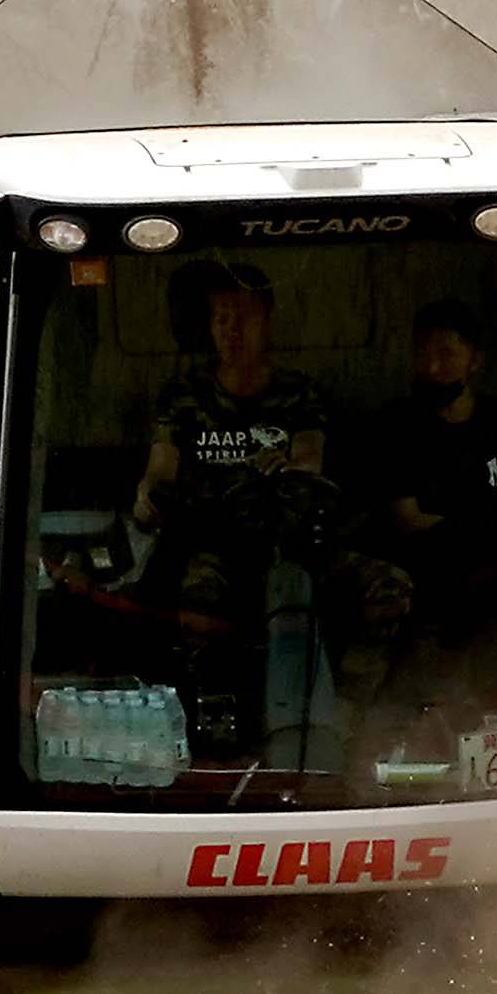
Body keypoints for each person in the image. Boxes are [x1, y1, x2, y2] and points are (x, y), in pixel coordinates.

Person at [126, 261, 357, 749]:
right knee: (197, 596)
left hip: (292, 544)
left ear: (267, 320)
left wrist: (288, 468)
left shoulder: (297, 393)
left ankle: (354, 725)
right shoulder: (185, 396)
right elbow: (159, 474)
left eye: (243, 317)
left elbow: (309, 462)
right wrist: (150, 499)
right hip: (213, 542)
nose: (232, 330)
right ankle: (212, 722)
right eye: (221, 319)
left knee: (383, 590)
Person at [349, 298, 497, 714]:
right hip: (432, 573)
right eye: (423, 354)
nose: (433, 368)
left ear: (474, 361)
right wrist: (483, 530)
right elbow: (408, 519)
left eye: (446, 354)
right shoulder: (395, 427)